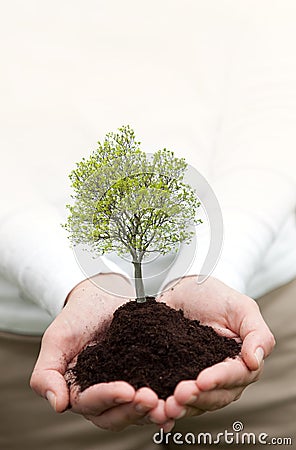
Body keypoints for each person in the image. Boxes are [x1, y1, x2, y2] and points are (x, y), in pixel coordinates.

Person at [1, 1, 295, 449]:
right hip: (34, 352)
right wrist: (73, 280)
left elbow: (274, 104)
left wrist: (214, 267)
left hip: (262, 319)